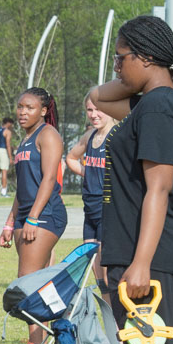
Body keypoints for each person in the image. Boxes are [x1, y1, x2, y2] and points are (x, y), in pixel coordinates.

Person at [87, 14, 173, 344]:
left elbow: (159, 188)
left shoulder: (161, 106)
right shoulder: (151, 101)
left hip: (153, 264)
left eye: (122, 57)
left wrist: (140, 263)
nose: (116, 68)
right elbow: (100, 96)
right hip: (133, 258)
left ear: (146, 56)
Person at [0, 87, 67, 344]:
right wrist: (9, 222)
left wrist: (33, 218)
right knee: (38, 281)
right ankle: (45, 340)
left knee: (26, 281)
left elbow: (49, 180)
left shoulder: (48, 135)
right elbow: (22, 187)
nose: (22, 112)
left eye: (29, 107)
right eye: (20, 106)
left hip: (45, 214)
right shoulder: (25, 139)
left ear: (43, 110)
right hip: (28, 213)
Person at [65, 95, 116, 286]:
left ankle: (113, 310)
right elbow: (71, 159)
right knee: (92, 261)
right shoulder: (89, 136)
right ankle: (106, 308)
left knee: (106, 265)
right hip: (90, 208)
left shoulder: (117, 135)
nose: (94, 115)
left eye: (98, 109)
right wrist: (90, 173)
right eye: (89, 110)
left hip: (108, 207)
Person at [0, 117, 14, 196]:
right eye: (11, 124)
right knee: (4, 171)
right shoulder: (7, 131)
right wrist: (10, 157)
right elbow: (8, 144)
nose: (11, 126)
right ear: (8, 123)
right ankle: (3, 192)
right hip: (3, 150)